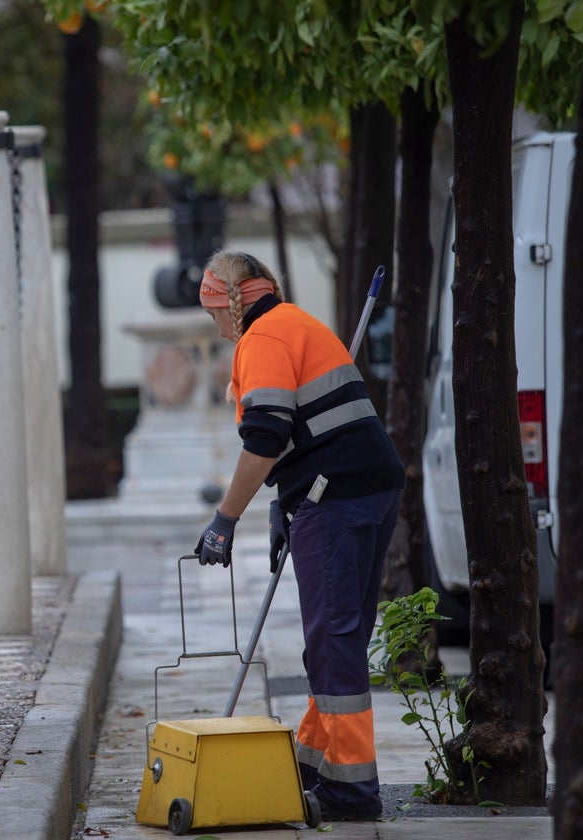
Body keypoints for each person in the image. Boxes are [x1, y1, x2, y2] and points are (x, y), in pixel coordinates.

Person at [194, 250, 404, 822]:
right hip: (367, 485)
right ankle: (317, 768)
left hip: (335, 496)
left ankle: (353, 793)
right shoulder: (299, 324)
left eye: (211, 314)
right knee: (341, 639)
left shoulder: (261, 340)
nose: (214, 326)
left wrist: (225, 519)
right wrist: (283, 506)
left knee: (334, 643)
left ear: (225, 304)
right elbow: (305, 428)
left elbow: (264, 434)